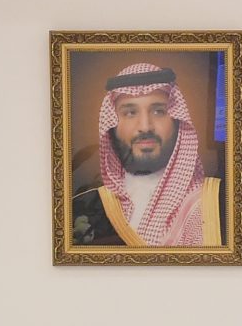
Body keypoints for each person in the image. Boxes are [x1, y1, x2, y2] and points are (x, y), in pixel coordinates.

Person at [68, 60, 225, 248]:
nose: (145, 126)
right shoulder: (88, 207)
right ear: (112, 127)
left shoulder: (217, 203)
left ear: (177, 122)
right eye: (130, 113)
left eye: (159, 111)